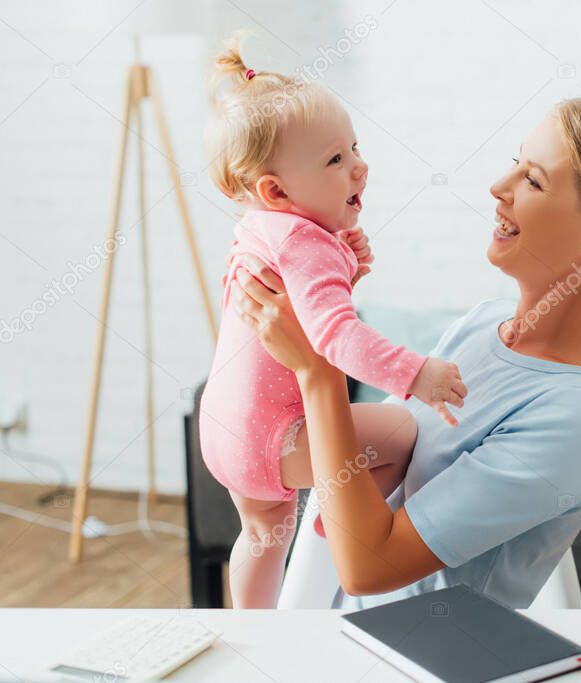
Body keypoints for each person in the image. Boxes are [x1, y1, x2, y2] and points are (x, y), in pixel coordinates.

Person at [229, 96, 581, 612]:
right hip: (350, 636)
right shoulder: (482, 325)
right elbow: (374, 460)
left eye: (534, 180)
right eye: (514, 162)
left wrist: (316, 369)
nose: (498, 188)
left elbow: (368, 568)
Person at [199, 38, 466, 609]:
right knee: (401, 432)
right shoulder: (304, 241)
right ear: (277, 189)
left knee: (264, 534)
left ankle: (250, 633)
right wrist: (414, 373)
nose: (359, 167)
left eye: (354, 148)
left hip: (225, 428)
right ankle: (343, 524)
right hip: (277, 434)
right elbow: (335, 337)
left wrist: (344, 263)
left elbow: (302, 310)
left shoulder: (262, 225)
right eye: (335, 161)